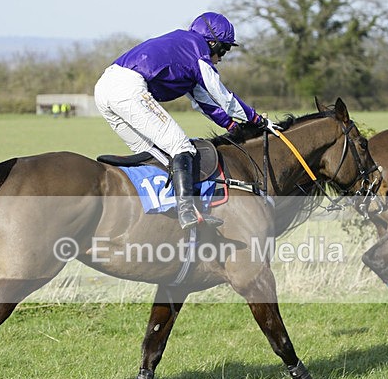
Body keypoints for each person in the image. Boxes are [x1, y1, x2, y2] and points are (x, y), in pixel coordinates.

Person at [94, 12, 278, 229]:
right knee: (182, 147)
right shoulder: (197, 51)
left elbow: (204, 102)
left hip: (104, 88)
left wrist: (231, 125)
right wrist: (257, 119)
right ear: (212, 42)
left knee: (157, 155)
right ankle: (187, 211)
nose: (222, 56)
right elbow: (223, 97)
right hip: (128, 89)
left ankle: (161, 211)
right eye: (224, 49)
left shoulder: (185, 51)